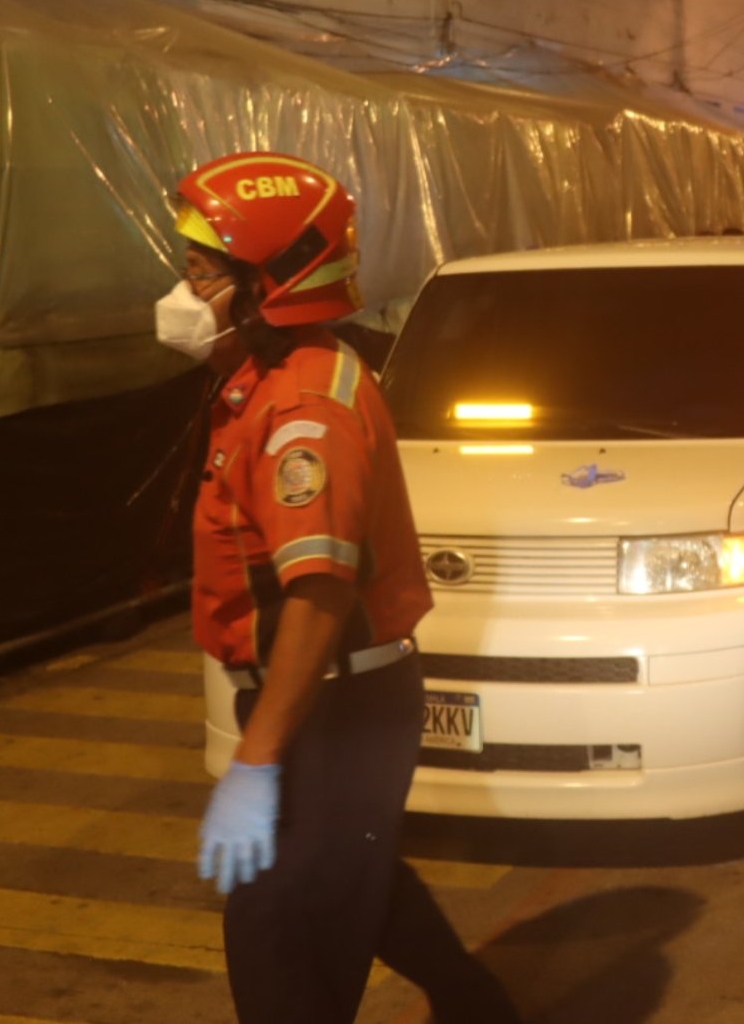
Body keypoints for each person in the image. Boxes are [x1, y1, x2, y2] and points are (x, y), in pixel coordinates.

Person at [160, 152, 522, 1023]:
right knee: (355, 876)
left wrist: (257, 762)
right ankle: (478, 1004)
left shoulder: (302, 413)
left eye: (201, 272)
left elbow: (319, 596)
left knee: (278, 940)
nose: (179, 291)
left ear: (269, 284)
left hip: (333, 705)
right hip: (322, 701)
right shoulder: (265, 380)